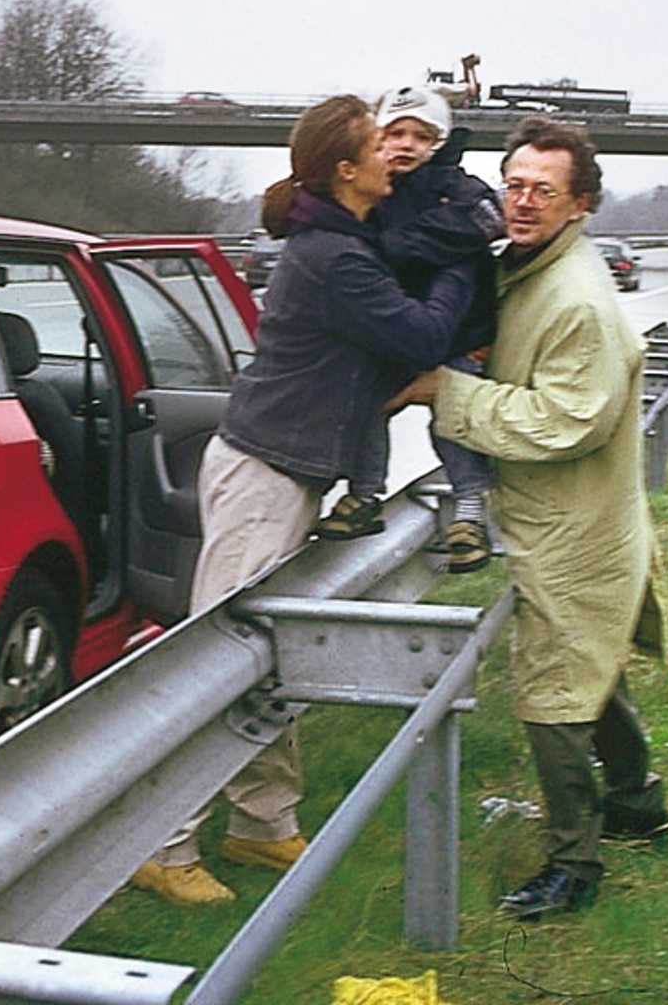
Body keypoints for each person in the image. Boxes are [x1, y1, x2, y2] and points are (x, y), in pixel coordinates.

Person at [129, 93, 478, 906]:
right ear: (344, 169)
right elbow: (423, 337)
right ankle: (162, 844)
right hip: (262, 473)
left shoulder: (348, 239)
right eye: (376, 150)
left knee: (269, 655)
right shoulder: (333, 258)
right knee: (220, 664)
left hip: (288, 467)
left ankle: (261, 825)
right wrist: (466, 267)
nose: (395, 160)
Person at [393, 116, 668, 920]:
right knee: (596, 662)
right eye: (514, 184)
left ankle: (574, 864)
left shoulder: (576, 298)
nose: (521, 202)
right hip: (572, 514)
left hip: (573, 524)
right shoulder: (524, 267)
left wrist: (444, 392)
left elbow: (566, 420)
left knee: (554, 691)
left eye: (543, 191)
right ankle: (638, 803)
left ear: (580, 205)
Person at [314, 84, 503, 575]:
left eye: (421, 136)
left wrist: (403, 244)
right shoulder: (373, 189)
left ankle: (468, 512)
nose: (406, 145)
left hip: (459, 331)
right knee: (367, 405)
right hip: (394, 328)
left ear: (437, 143)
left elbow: (489, 220)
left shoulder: (455, 186)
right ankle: (363, 495)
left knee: (453, 423)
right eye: (395, 133)